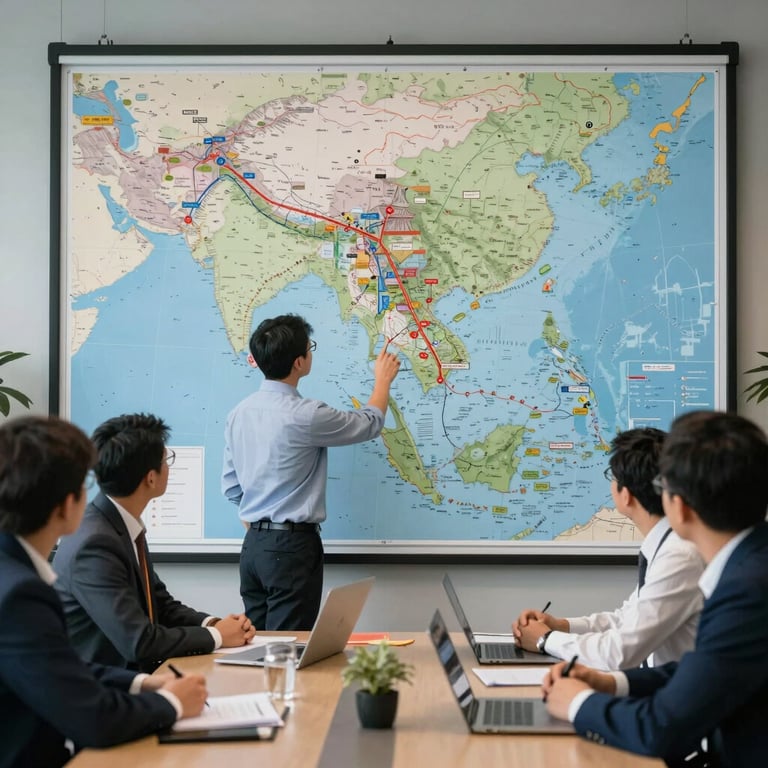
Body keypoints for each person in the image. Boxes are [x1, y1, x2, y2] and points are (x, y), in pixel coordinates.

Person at [542, 411, 768, 768]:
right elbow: (705, 669)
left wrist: (577, 702)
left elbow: (660, 727)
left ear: (676, 504)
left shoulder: (748, 590)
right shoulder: (750, 566)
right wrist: (611, 684)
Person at [0, 415, 207, 768]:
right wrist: (172, 704)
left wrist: (146, 685)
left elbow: (64, 667)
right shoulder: (20, 594)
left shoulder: (13, 571)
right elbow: (93, 717)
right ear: (68, 505)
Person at [222, 314, 400, 630]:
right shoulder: (307, 415)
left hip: (252, 550)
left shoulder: (239, 413)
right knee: (287, 651)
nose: (311, 353)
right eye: (310, 347)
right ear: (299, 362)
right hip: (290, 549)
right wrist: (383, 381)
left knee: (257, 649)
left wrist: (261, 523)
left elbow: (232, 488)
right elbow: (369, 423)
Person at [54, 413, 256, 672]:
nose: (168, 467)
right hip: (108, 692)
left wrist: (213, 624)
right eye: (166, 460)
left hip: (143, 677)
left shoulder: (118, 524)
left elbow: (160, 604)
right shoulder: (94, 545)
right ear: (151, 478)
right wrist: (218, 637)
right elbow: (139, 641)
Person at [513, 427, 703, 670]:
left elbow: (620, 652)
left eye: (611, 477)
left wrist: (545, 640)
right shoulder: (667, 545)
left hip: (672, 698)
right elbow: (628, 619)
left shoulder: (680, 555)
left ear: (626, 495)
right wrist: (560, 625)